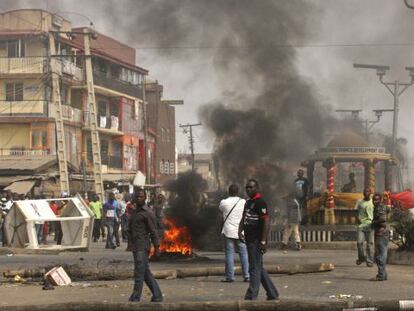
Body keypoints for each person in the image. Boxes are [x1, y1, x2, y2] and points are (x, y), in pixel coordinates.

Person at [238, 179, 279, 301]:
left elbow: (266, 222)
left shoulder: (261, 203)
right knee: (258, 267)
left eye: (251, 187)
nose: (248, 189)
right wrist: (240, 230)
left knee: (254, 268)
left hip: (256, 240)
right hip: (249, 239)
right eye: (247, 187)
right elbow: (244, 217)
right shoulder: (248, 202)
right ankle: (272, 293)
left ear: (256, 188)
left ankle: (251, 296)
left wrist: (263, 241)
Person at [127, 188, 163, 302]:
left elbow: (153, 231)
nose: (139, 198)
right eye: (137, 196)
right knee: (145, 272)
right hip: (135, 246)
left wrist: (157, 247)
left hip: (142, 246)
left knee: (139, 273)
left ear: (145, 198)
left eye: (141, 196)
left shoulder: (148, 212)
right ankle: (157, 295)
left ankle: (135, 297)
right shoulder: (134, 211)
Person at [219, 184, 249, 283]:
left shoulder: (224, 202)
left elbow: (220, 210)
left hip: (228, 231)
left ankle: (230, 277)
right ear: (237, 192)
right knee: (244, 254)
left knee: (229, 254)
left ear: (229, 191)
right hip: (241, 231)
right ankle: (247, 275)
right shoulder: (243, 202)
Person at [371, 193, 391, 281]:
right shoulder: (384, 207)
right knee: (382, 254)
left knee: (379, 255)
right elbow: (389, 211)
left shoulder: (380, 208)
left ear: (381, 200)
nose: (375, 201)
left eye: (377, 200)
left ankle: (381, 275)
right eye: (374, 200)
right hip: (384, 233)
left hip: (381, 233)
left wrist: (373, 223)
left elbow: (383, 219)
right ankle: (384, 274)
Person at [356, 187, 374, 267]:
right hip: (361, 225)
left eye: (367, 191)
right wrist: (358, 219)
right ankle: (361, 257)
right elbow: (355, 211)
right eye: (365, 191)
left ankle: (369, 261)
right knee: (359, 243)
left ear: (370, 193)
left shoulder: (373, 201)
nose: (366, 193)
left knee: (370, 244)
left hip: (370, 225)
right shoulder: (359, 201)